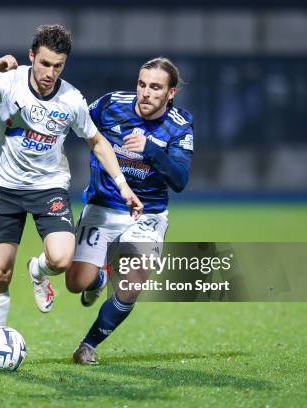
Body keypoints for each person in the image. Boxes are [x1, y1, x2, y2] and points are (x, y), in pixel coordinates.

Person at [0, 24, 143, 368]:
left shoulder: (71, 100)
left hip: (49, 189)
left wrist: (123, 184)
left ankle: (37, 272)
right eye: (45, 63)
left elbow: (96, 141)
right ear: (31, 57)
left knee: (61, 259)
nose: (50, 73)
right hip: (6, 189)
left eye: (58, 66)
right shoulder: (10, 81)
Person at [66, 57, 194, 365]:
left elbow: (179, 179)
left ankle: (88, 345)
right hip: (103, 206)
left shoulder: (179, 125)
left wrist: (151, 149)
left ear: (170, 93)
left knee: (133, 281)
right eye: (142, 84)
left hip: (148, 214)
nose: (146, 93)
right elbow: (75, 120)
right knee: (75, 283)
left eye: (156, 87)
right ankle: (96, 280)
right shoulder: (110, 105)